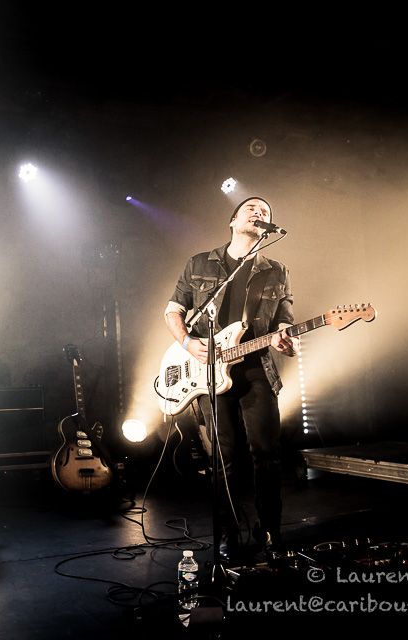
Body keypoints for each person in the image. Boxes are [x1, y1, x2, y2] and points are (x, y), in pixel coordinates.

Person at [164, 196, 298, 561]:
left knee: (266, 453)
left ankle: (269, 529)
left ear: (267, 229)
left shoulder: (277, 270)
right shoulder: (200, 263)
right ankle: (226, 531)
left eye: (265, 211)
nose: (259, 212)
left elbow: (284, 318)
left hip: (256, 369)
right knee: (224, 456)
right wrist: (188, 343)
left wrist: (286, 337)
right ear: (233, 221)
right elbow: (173, 310)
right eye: (251, 208)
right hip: (209, 372)